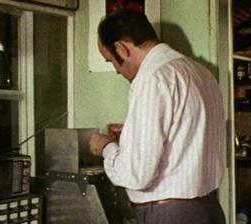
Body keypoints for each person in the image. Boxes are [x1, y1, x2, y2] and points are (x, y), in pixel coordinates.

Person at [88, 9, 227, 224]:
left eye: (111, 61)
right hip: (209, 209)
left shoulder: (151, 78)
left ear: (121, 48)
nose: (116, 70)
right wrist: (133, 136)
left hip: (169, 215)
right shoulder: (202, 73)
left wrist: (106, 147)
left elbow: (136, 175)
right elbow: (186, 132)